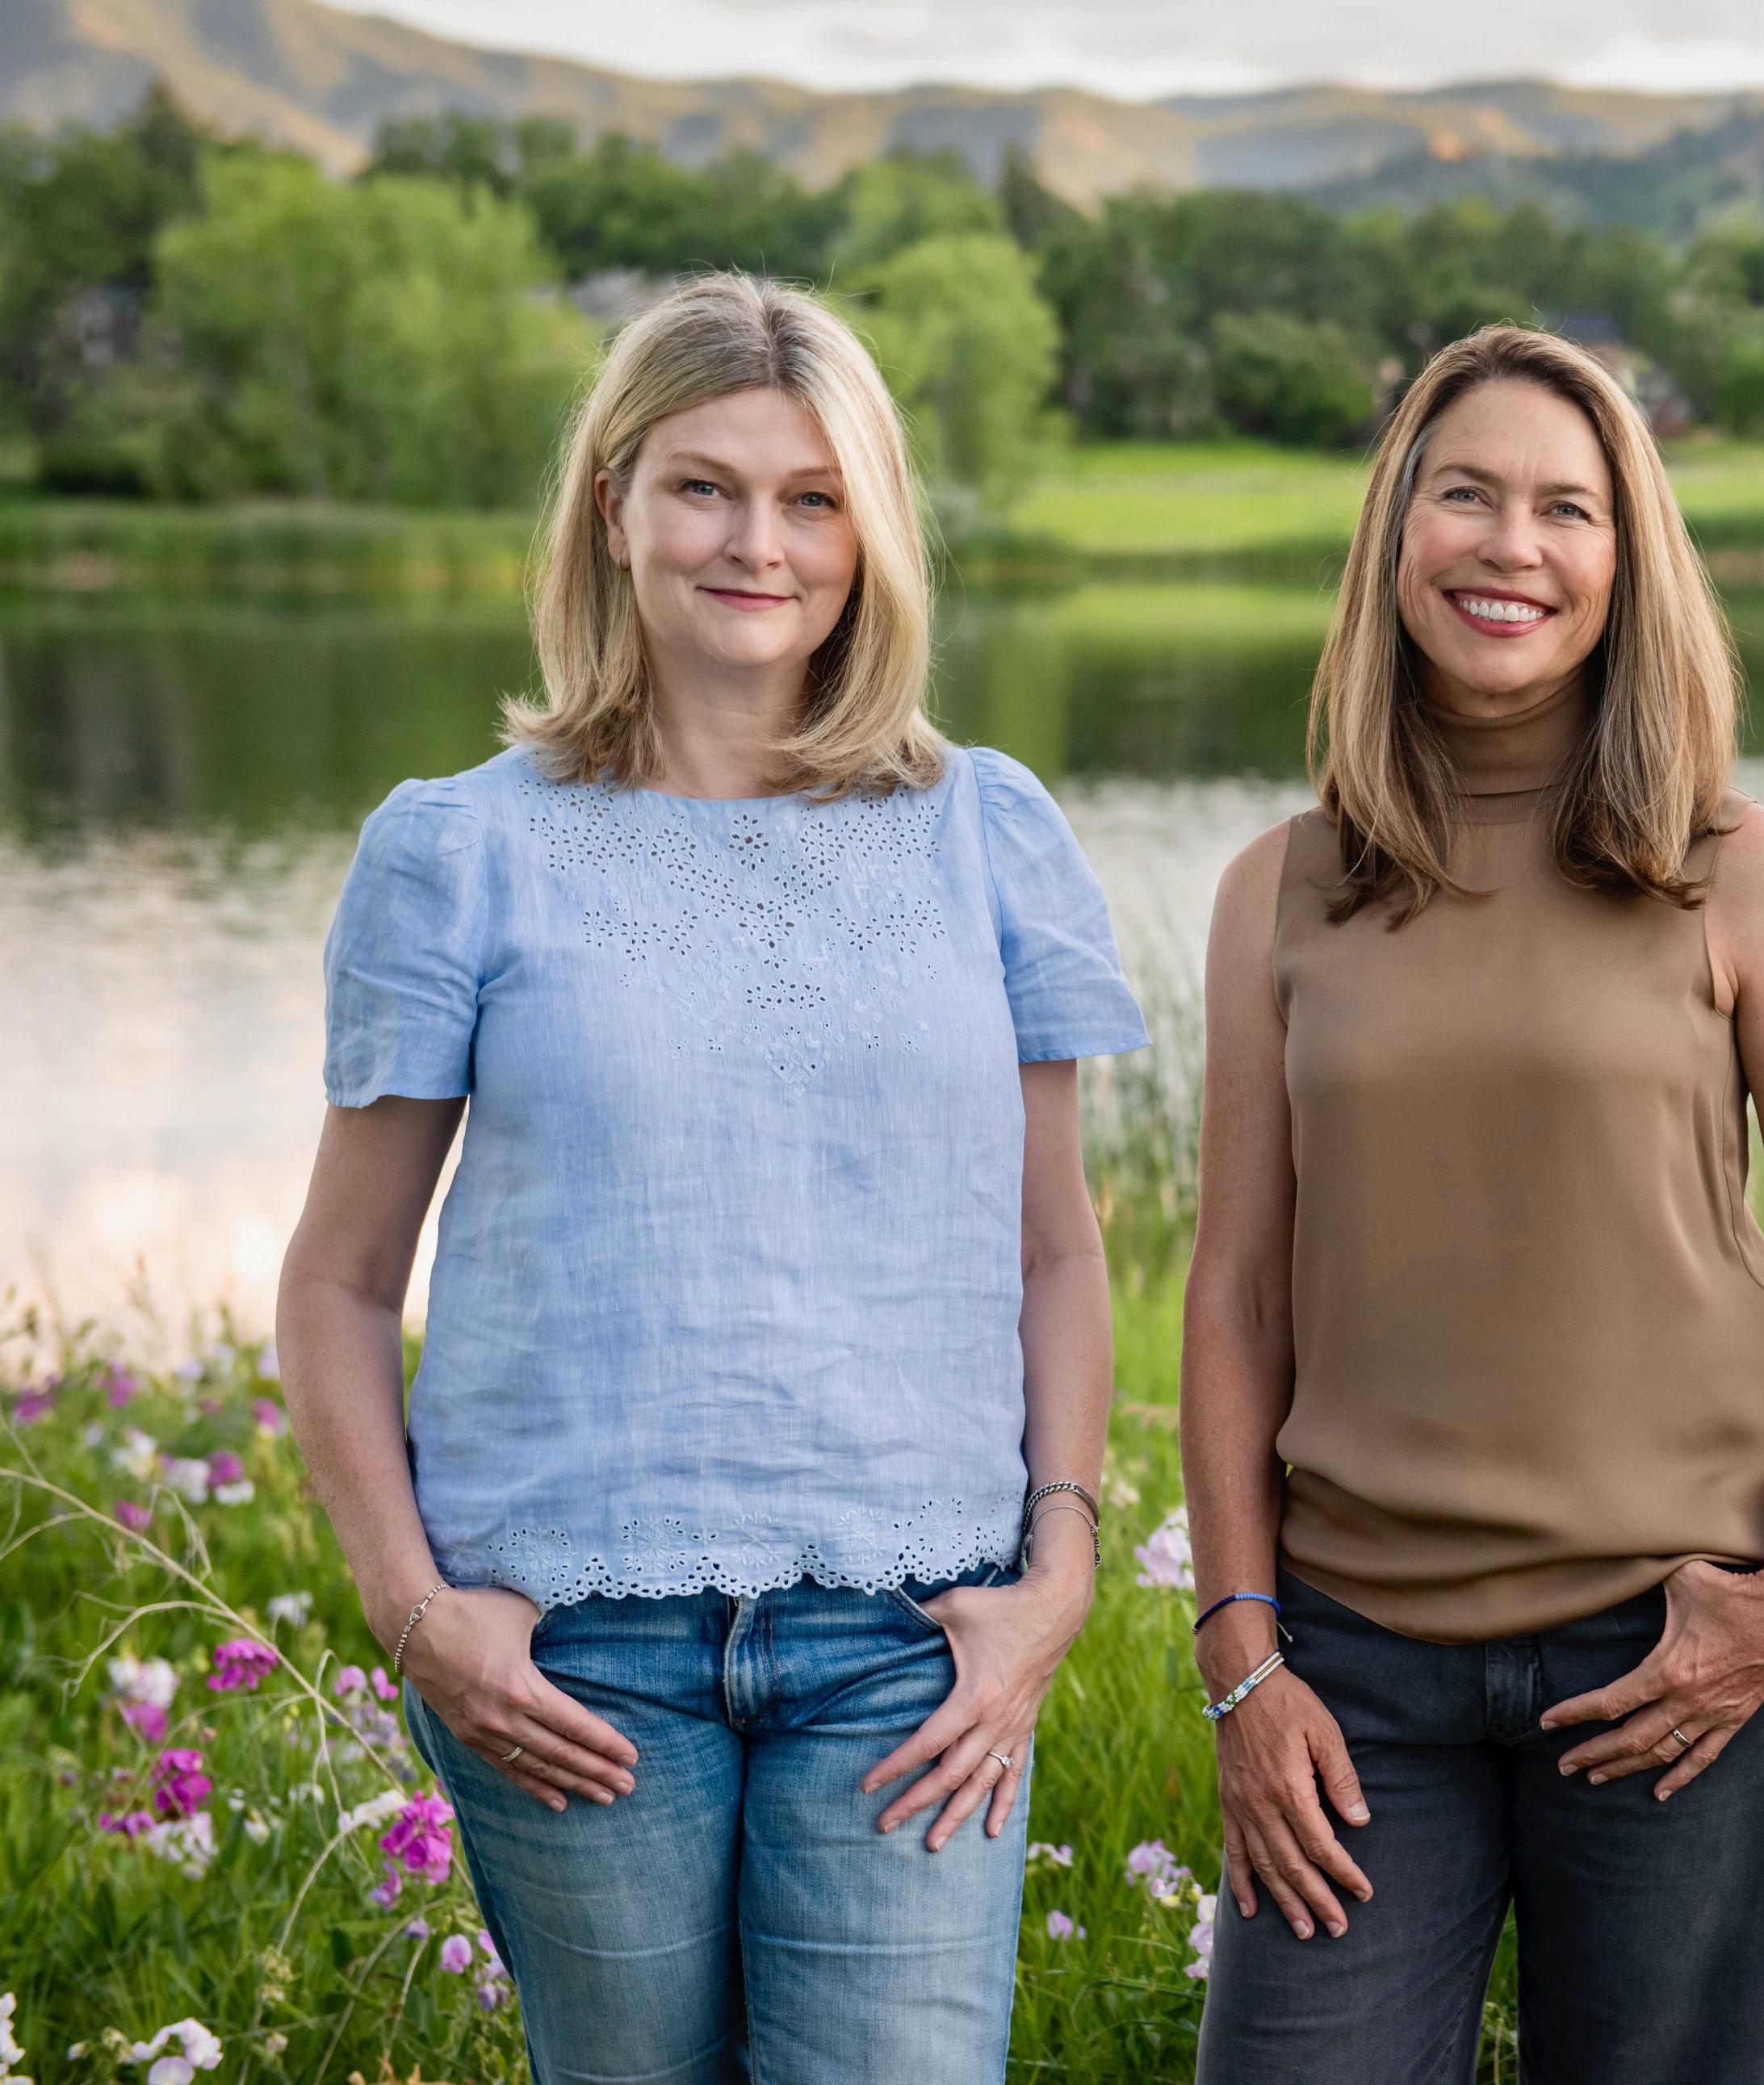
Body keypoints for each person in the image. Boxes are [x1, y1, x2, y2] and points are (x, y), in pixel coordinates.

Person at [275, 274, 1146, 2082]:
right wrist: (412, 1607)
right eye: (705, 485)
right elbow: (343, 1277)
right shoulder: (461, 851)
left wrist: (1060, 1561)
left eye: (813, 496)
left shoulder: (986, 831)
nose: (760, 540)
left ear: (873, 533)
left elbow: (1055, 1248)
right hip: (569, 1657)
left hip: (911, 1637)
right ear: (614, 504)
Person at [1178, 324, 1764, 2083]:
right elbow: (1237, 1298)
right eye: (1470, 495)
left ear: (1625, 560)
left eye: (1567, 508)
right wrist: (1240, 1656)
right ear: (1393, 536)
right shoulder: (1283, 888)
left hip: (1683, 1651)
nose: (1513, 545)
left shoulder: (1736, 868)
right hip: (1356, 1670)